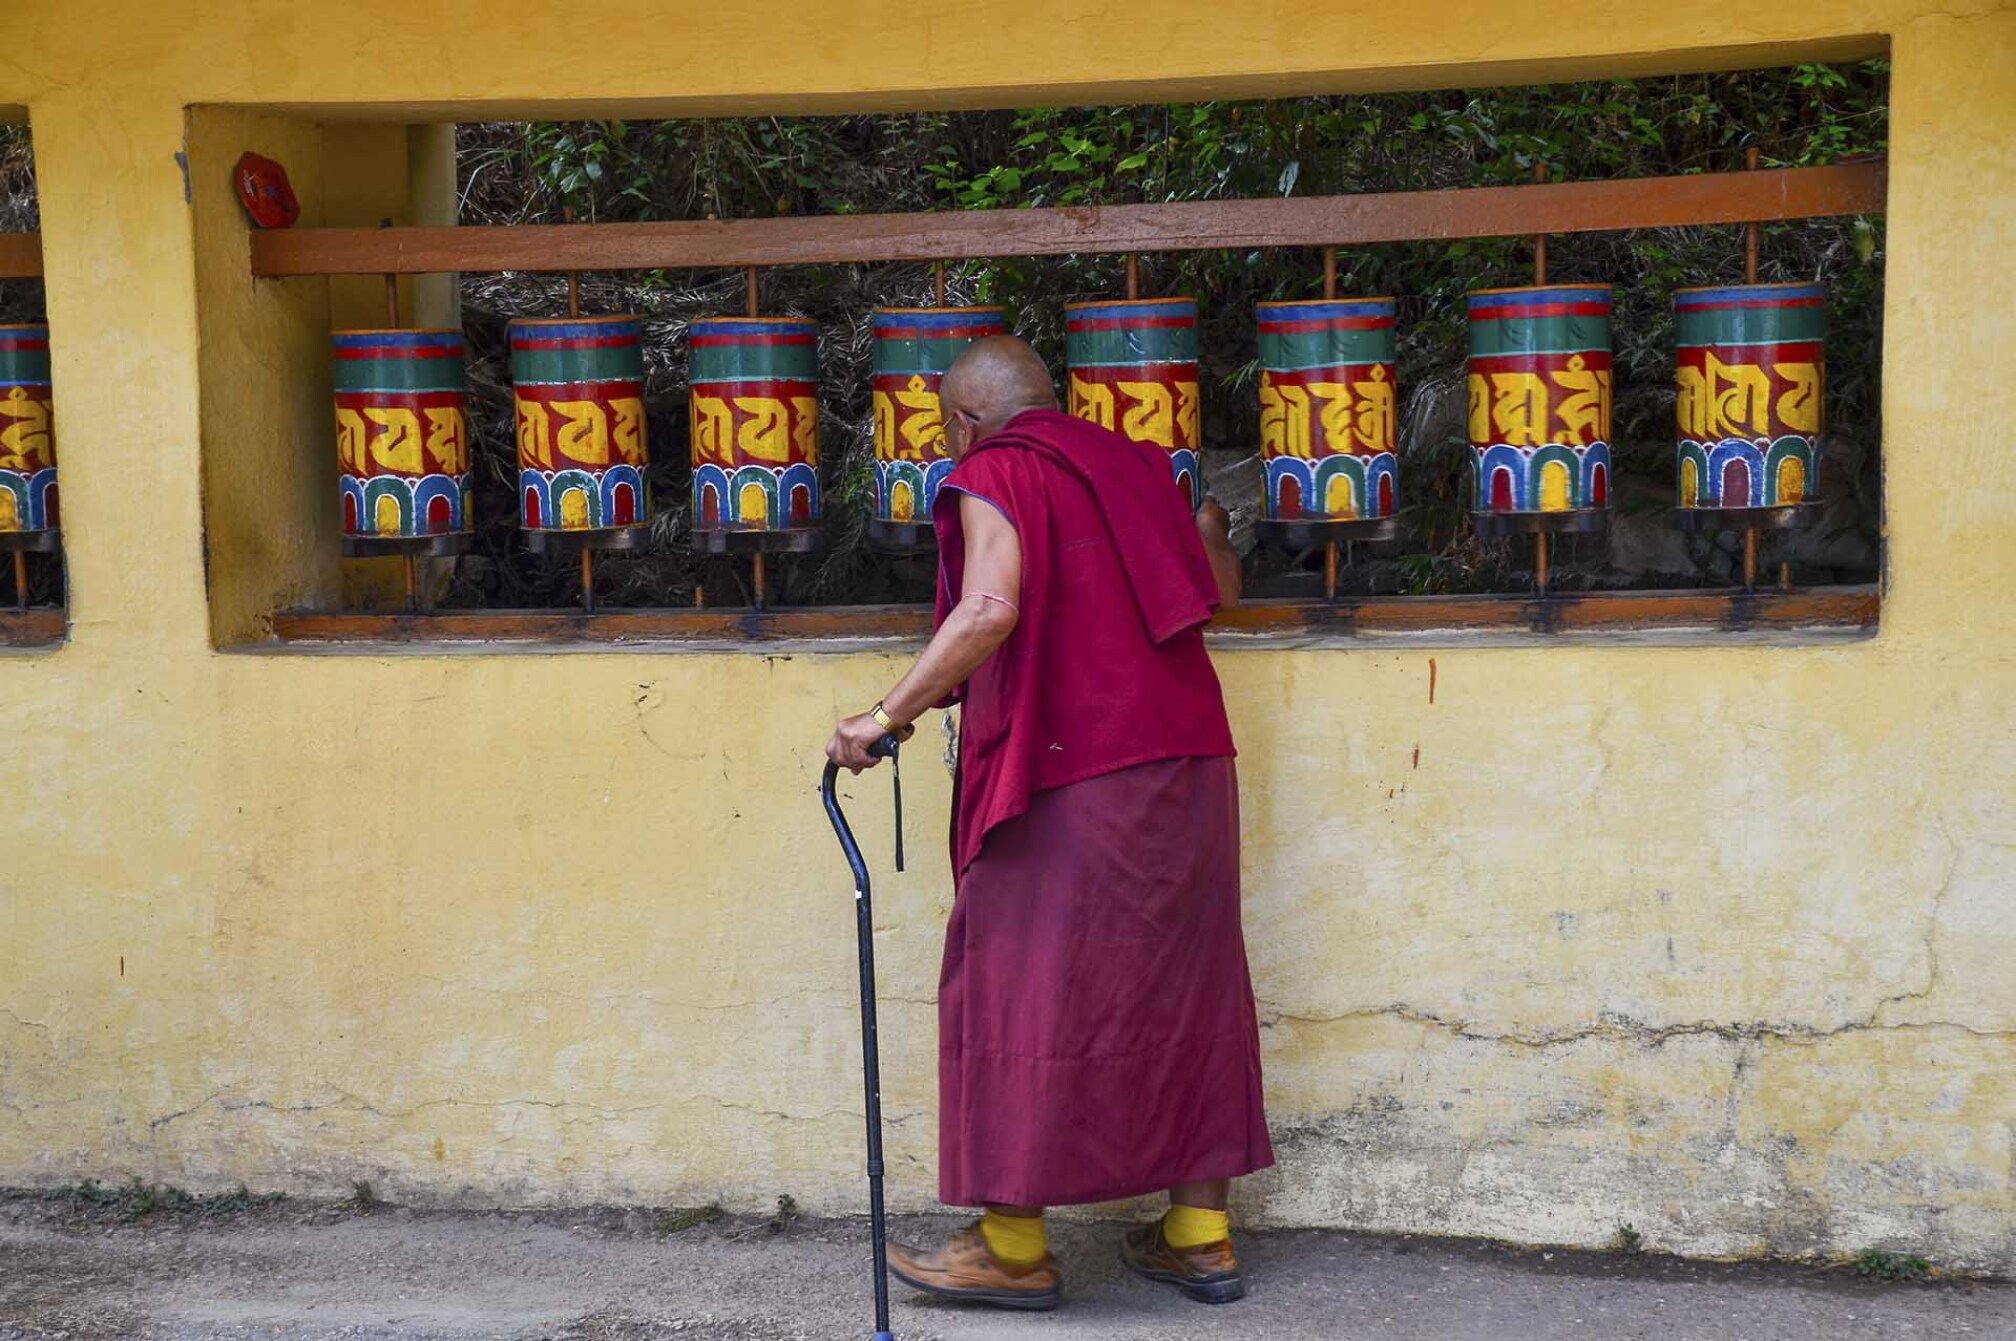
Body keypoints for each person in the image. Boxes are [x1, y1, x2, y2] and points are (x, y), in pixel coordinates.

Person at [824, 336, 1273, 1312]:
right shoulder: (1141, 466)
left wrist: (884, 717)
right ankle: (1199, 1237)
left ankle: (1013, 1247)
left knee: (1015, 984)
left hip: (1071, 773)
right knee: (1188, 984)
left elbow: (989, 606)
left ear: (965, 423)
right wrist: (1215, 529)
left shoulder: (999, 472)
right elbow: (1219, 588)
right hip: (1190, 767)